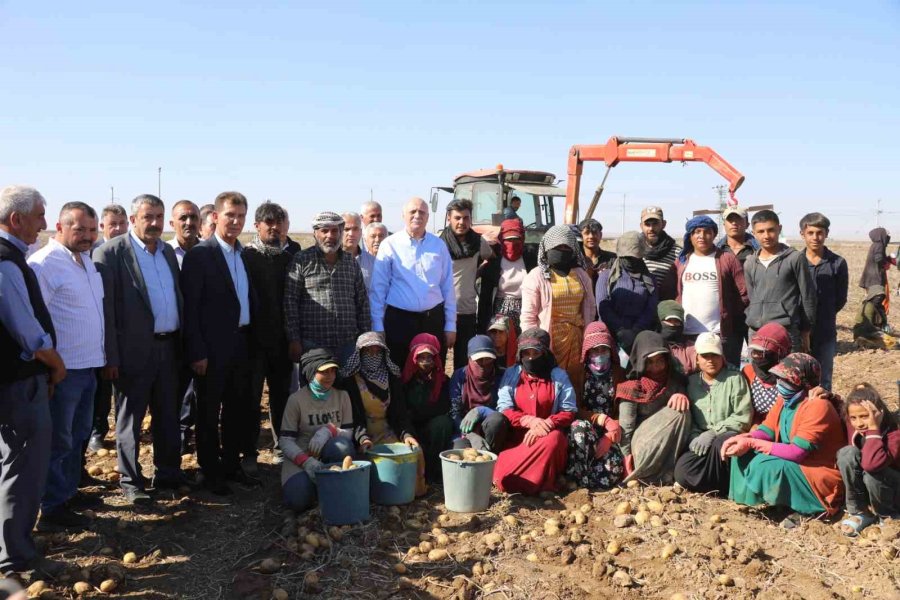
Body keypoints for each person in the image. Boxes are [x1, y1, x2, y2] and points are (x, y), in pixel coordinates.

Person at [94, 194, 187, 505]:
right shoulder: (111, 254)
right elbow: (106, 312)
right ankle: (131, 481)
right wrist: (111, 356)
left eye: (159, 217)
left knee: (167, 415)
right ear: (133, 219)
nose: (154, 223)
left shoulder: (168, 254)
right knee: (130, 420)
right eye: (148, 217)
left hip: (169, 348)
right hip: (133, 353)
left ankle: (167, 474)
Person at [0, 185, 67, 578]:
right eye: (40, 215)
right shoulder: (7, 263)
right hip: (19, 383)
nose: (44, 223)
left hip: (18, 381)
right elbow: (27, 331)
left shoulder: (14, 259)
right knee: (23, 468)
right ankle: (15, 558)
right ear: (17, 219)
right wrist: (54, 364)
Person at [28, 202, 106, 527]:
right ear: (60, 227)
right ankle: (52, 508)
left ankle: (69, 491)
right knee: (59, 440)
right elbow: (33, 322)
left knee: (78, 436)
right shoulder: (44, 264)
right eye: (80, 230)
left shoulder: (85, 261)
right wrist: (49, 367)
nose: (88, 236)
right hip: (63, 371)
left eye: (92, 230)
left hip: (89, 367)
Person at [181, 191, 257, 494]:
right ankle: (211, 472)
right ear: (215, 217)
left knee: (237, 410)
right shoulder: (201, 255)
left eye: (240, 216)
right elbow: (191, 308)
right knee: (209, 413)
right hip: (211, 350)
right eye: (230, 215)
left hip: (241, 345)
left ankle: (231, 465)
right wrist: (197, 351)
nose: (236, 222)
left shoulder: (244, 254)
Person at [723, 353, 845, 524]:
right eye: (779, 378)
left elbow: (797, 452)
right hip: (794, 462)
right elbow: (767, 430)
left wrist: (753, 442)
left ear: (804, 383)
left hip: (816, 471)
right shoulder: (785, 401)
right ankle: (746, 505)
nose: (780, 383)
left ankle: (811, 508)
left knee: (766, 466)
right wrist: (745, 438)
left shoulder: (818, 406)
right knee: (742, 453)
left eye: (787, 380)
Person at [370, 197, 456, 368]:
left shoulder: (438, 246)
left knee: (431, 375)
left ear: (428, 217)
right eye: (413, 211)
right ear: (403, 216)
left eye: (422, 212)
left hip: (432, 321)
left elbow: (448, 288)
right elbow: (378, 290)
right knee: (398, 372)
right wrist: (378, 326)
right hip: (399, 323)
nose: (418, 215)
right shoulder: (390, 245)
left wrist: (450, 325)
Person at [337, 332, 426, 496]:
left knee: (413, 453)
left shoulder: (392, 378)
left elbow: (400, 413)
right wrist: (362, 438)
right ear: (360, 354)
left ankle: (407, 493)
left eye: (377, 352)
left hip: (387, 431)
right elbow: (353, 418)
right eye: (368, 352)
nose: (373, 356)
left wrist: (406, 434)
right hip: (363, 435)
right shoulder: (351, 381)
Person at [493, 328, 575, 494]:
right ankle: (517, 479)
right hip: (519, 439)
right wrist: (528, 421)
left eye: (535, 353)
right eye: (526, 354)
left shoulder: (558, 376)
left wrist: (548, 423)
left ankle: (540, 483)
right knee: (502, 477)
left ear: (544, 354)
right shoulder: (512, 374)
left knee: (555, 440)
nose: (530, 358)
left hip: (547, 436)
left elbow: (569, 410)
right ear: (520, 356)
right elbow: (504, 407)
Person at [279, 349, 362, 512]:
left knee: (342, 447)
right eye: (324, 372)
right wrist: (305, 461)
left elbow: (348, 433)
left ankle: (333, 489)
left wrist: (329, 430)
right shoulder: (296, 400)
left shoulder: (342, 396)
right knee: (298, 499)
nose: (330, 376)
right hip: (302, 454)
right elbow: (285, 440)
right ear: (311, 372)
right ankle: (318, 488)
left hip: (330, 452)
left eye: (333, 371)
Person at [284, 211, 370, 367]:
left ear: (340, 233)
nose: (330, 235)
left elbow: (362, 302)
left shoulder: (351, 262)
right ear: (315, 233)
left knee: (347, 389)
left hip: (348, 343)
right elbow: (291, 302)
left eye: (335, 230)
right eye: (324, 230)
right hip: (313, 345)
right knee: (314, 390)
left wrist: (365, 338)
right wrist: (294, 339)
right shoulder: (302, 260)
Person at [244, 202, 294, 466]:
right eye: (268, 223)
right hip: (253, 344)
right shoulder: (246, 257)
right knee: (252, 400)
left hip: (282, 343)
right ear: (257, 226)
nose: (274, 228)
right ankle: (250, 451)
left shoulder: (290, 257)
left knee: (281, 398)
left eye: (278, 223)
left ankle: (281, 447)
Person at [520, 225, 596, 398]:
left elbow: (590, 307)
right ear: (547, 249)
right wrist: (535, 345)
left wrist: (587, 334)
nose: (562, 251)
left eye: (566, 247)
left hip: (577, 339)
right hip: (549, 340)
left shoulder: (581, 275)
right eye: (557, 247)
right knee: (551, 382)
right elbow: (528, 317)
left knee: (576, 380)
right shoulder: (537, 276)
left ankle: (574, 414)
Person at [674, 333, 752, 495]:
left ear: (722, 357)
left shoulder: (734, 379)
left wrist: (714, 432)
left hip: (725, 435)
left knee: (721, 445)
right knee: (682, 471)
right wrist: (695, 435)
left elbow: (742, 417)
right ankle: (711, 486)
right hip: (700, 440)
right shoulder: (691, 382)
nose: (710, 360)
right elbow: (689, 417)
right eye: (705, 356)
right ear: (697, 358)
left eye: (715, 355)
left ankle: (722, 488)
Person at [616, 331, 691, 484]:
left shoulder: (675, 382)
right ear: (641, 362)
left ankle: (668, 472)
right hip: (642, 447)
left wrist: (681, 396)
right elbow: (626, 428)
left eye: (660, 360)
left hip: (669, 447)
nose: (656, 366)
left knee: (682, 409)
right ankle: (645, 473)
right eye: (650, 362)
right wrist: (626, 457)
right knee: (679, 413)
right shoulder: (631, 388)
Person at [675, 216, 748, 366]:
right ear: (690, 236)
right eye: (697, 232)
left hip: (720, 333)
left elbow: (743, 293)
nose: (702, 236)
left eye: (707, 232)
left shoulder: (727, 259)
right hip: (688, 333)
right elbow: (672, 293)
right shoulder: (682, 261)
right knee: (692, 374)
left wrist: (731, 318)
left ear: (714, 235)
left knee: (724, 373)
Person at [744, 210, 817, 352]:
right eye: (761, 231)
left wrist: (806, 332)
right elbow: (752, 298)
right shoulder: (750, 263)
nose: (766, 236)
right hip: (757, 332)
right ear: (754, 233)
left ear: (779, 229)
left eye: (771, 230)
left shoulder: (795, 258)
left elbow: (808, 297)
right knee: (760, 374)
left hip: (785, 331)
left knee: (786, 374)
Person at [566, 322, 626, 490]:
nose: (600, 354)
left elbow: (625, 409)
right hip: (586, 430)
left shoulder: (619, 374)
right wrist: (601, 418)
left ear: (610, 351)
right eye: (595, 350)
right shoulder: (575, 373)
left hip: (610, 433)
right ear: (587, 352)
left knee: (614, 468)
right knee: (578, 428)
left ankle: (580, 479)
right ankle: (580, 483)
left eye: (604, 350)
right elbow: (573, 409)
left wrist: (609, 435)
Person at [837, 383, 900, 536]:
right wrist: (829, 396)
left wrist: (873, 428)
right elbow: (839, 409)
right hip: (873, 489)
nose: (859, 423)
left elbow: (871, 465)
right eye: (854, 418)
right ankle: (860, 511)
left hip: (894, 493)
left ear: (879, 413)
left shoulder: (894, 435)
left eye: (865, 416)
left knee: (873, 473)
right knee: (846, 453)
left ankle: (888, 516)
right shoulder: (855, 426)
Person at [166, 199, 201, 454]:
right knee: (172, 395)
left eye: (193, 218)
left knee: (200, 395)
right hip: (172, 338)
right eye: (183, 218)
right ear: (172, 223)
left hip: (202, 336)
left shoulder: (208, 253)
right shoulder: (163, 253)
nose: (189, 223)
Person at [440, 200, 492, 370]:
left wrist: (477, 272)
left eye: (466, 218)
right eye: (457, 218)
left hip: (467, 312)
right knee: (438, 361)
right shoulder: (438, 244)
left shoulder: (479, 242)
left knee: (463, 363)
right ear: (449, 218)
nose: (461, 222)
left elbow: (490, 258)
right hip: (441, 311)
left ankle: (460, 395)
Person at [800, 213, 848, 390]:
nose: (815, 237)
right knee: (799, 378)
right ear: (802, 234)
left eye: (819, 232)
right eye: (810, 232)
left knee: (824, 379)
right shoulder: (795, 261)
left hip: (825, 330)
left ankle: (825, 415)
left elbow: (840, 299)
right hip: (798, 330)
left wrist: (823, 314)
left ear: (826, 233)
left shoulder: (837, 263)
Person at [400, 334, 454, 482]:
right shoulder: (404, 382)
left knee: (443, 423)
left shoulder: (442, 382)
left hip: (431, 428)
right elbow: (401, 411)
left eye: (429, 358)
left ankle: (433, 472)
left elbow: (442, 407)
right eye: (421, 358)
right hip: (409, 429)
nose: (425, 362)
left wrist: (417, 413)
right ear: (413, 359)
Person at [596, 231, 657, 355]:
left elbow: (651, 308)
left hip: (639, 337)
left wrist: (636, 330)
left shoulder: (649, 280)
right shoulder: (606, 276)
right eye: (626, 257)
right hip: (610, 337)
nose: (630, 260)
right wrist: (620, 330)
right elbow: (603, 307)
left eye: (634, 257)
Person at [448, 335, 509, 452]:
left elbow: (505, 411)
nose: (483, 364)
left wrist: (482, 410)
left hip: (493, 429)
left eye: (488, 359)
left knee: (496, 420)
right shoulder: (459, 376)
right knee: (461, 452)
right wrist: (470, 435)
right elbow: (454, 413)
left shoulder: (502, 376)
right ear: (469, 358)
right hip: (463, 429)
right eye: (478, 360)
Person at [741, 322, 792, 425]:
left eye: (762, 353)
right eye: (754, 351)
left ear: (778, 354)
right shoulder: (748, 372)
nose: (756, 356)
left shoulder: (791, 378)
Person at [639, 206, 680, 301]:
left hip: (666, 309)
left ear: (663, 224)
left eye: (655, 224)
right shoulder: (634, 251)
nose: (651, 228)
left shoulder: (677, 253)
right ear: (641, 226)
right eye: (647, 224)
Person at [859, 228, 893, 324]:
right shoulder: (879, 245)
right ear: (881, 235)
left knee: (874, 300)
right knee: (877, 300)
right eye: (886, 236)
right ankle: (874, 323)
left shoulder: (875, 245)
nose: (887, 238)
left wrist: (888, 259)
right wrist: (885, 264)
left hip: (871, 278)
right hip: (875, 278)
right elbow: (878, 258)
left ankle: (874, 323)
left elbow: (879, 257)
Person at [657, 300, 697, 375]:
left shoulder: (690, 347)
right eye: (669, 320)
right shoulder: (652, 345)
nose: (672, 325)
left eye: (676, 321)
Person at [342, 212, 375, 290]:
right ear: (339, 231)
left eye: (355, 229)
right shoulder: (329, 260)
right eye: (346, 229)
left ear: (360, 232)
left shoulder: (373, 263)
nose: (351, 234)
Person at [579, 218, 616, 285]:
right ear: (581, 236)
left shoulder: (613, 259)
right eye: (586, 233)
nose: (591, 236)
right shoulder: (576, 260)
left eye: (594, 233)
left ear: (601, 235)